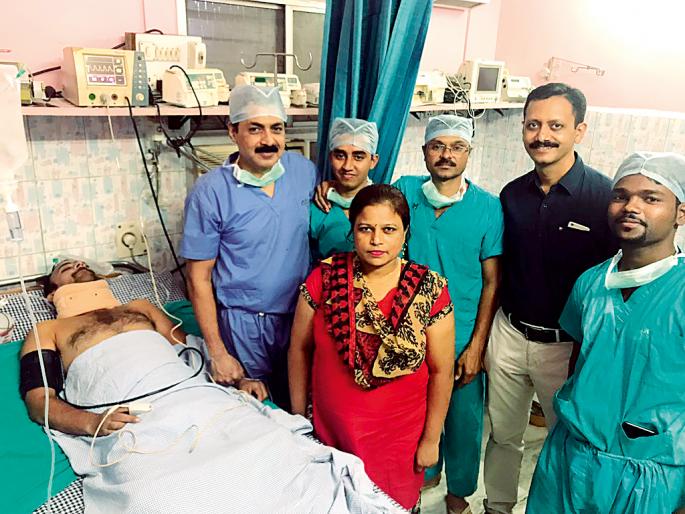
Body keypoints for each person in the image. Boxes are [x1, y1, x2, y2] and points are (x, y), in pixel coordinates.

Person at [21, 260, 406, 514]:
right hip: (133, 418)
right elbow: (40, 401)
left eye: (81, 263)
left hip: (194, 395)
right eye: (64, 268)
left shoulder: (139, 306)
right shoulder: (47, 329)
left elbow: (192, 350)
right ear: (52, 292)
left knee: (279, 448)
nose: (76, 265)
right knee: (151, 496)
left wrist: (238, 379)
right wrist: (93, 423)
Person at [483, 83, 618, 514]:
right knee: (503, 434)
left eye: (555, 126)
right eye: (533, 124)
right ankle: (497, 505)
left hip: (566, 348)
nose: (542, 135)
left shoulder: (604, 199)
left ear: (579, 131)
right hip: (509, 334)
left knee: (567, 443)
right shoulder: (511, 195)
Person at [526, 151, 685, 513]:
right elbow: (580, 364)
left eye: (651, 198)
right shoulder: (591, 283)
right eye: (621, 196)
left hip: (651, 473)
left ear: (681, 213)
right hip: (569, 458)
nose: (631, 207)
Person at [289, 184, 456, 511]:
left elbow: (441, 371)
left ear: (405, 233)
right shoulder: (325, 279)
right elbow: (298, 350)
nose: (376, 240)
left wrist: (431, 439)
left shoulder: (428, 289)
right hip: (331, 435)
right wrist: (298, 420)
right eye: (365, 228)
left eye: (388, 229)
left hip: (398, 442)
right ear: (352, 231)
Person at [180, 85, 318, 408]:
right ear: (233, 132)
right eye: (255, 129)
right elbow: (198, 278)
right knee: (260, 412)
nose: (268, 140)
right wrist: (218, 352)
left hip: (300, 318)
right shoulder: (210, 192)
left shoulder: (303, 172)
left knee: (304, 410)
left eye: (276, 128)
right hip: (245, 327)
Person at [391, 115, 503, 514]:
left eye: (457, 147)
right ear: (424, 151)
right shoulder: (405, 192)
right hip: (407, 336)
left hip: (461, 337)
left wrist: (477, 346)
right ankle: (422, 479)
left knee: (463, 424)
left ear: (469, 153)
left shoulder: (488, 207)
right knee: (414, 417)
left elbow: (492, 281)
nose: (446, 155)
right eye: (438, 146)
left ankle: (459, 495)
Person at [310, 117, 379, 261]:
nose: (347, 166)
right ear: (330, 157)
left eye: (358, 157)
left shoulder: (386, 204)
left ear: (373, 161)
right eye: (340, 156)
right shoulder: (316, 209)